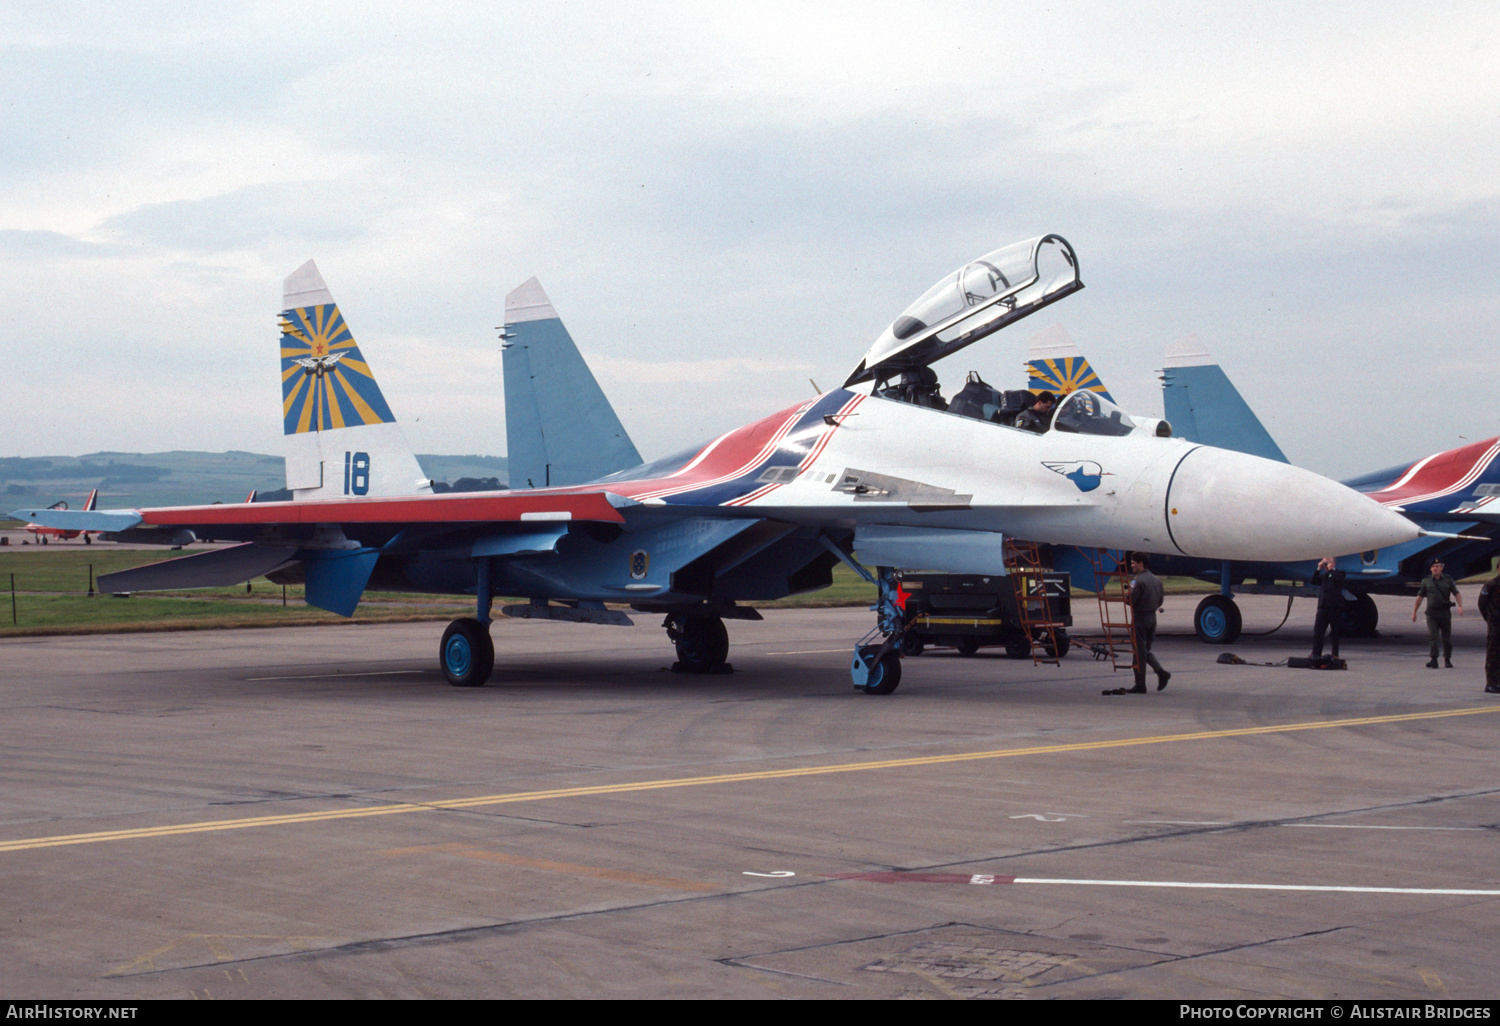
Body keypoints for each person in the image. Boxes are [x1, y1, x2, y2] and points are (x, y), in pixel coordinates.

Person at [1105, 553, 1171, 694]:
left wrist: (1127, 599)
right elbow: (1160, 601)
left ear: (1141, 564)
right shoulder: (1157, 580)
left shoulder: (1137, 581)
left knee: (1139, 652)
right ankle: (1152, 677)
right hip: (1152, 618)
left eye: (1134, 563)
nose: (1132, 565)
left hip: (1140, 618)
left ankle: (1146, 682)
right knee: (1143, 650)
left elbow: (1131, 599)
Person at [1412, 558, 1463, 668]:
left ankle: (1447, 659)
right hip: (1432, 613)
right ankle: (1434, 659)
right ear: (1430, 569)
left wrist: (1460, 606)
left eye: (1437, 566)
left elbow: (1456, 593)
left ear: (1442, 568)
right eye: (1433, 566)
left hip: (1444, 612)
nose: (1435, 568)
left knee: (1447, 638)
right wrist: (1414, 611)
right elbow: (1420, 596)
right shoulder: (1426, 581)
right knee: (1433, 637)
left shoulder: (1448, 580)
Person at [1310, 556, 1346, 662]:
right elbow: (1313, 581)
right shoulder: (1325, 576)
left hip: (1334, 607)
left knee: (1335, 631)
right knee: (1318, 630)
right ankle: (1316, 652)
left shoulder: (1340, 573)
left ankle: (1335, 653)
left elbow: (1338, 579)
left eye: (1329, 562)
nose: (1327, 564)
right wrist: (1319, 568)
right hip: (1323, 606)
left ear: (1334, 563)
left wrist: (1331, 569)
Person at [1478, 569, 1500, 693]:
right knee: (1493, 654)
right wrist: (1489, 618)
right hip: (1495, 625)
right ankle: (1491, 683)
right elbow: (1482, 604)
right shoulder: (1491, 585)